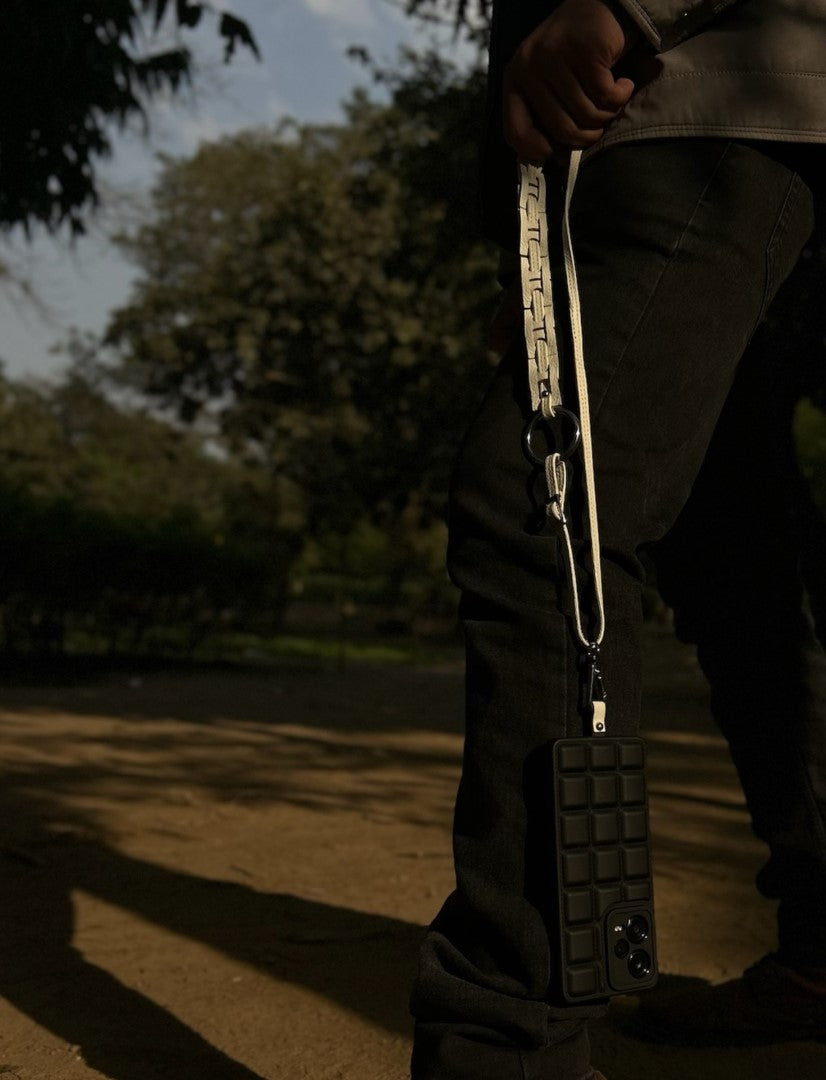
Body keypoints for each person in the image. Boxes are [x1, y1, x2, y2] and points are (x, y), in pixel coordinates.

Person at [409, 1, 826, 1078]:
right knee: (733, 554)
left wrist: (629, 4)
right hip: (713, 118)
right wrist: (535, 244)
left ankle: (509, 1045)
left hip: (722, 102)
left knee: (546, 500)